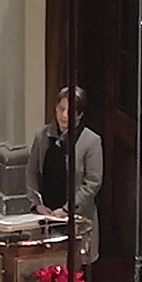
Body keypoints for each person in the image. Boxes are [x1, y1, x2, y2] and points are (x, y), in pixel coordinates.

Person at [26, 87, 104, 262]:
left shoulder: (91, 141)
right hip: (45, 216)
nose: (64, 115)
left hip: (75, 219)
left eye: (71, 112)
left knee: (73, 268)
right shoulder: (42, 136)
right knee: (41, 267)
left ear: (80, 114)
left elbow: (93, 183)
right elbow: (31, 172)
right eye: (61, 109)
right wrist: (37, 204)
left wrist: (66, 210)